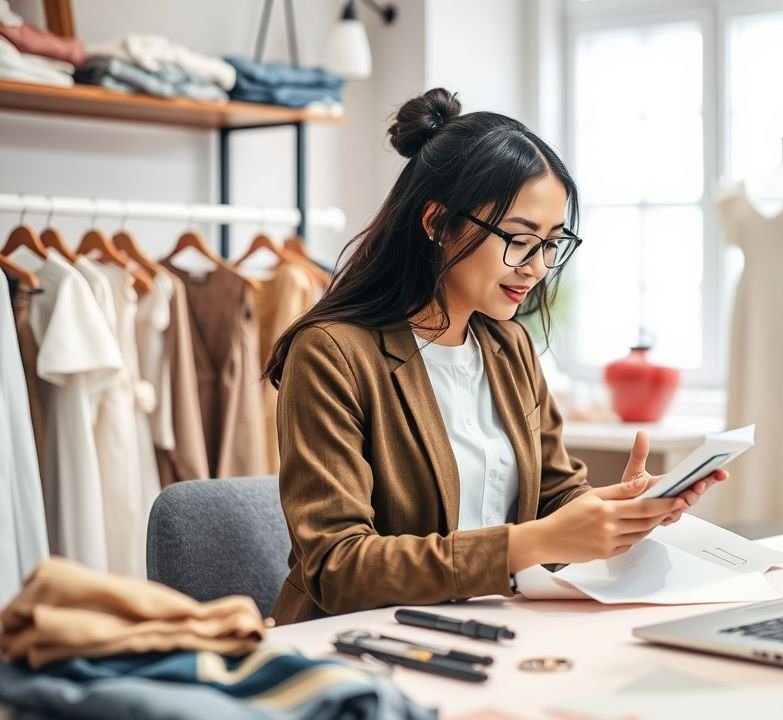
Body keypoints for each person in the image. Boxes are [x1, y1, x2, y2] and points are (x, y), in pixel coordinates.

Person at [263, 88, 726, 624]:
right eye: (519, 239)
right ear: (436, 222)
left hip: (496, 628)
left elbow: (555, 500)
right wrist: (520, 546)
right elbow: (337, 566)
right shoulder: (332, 353)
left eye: (553, 243)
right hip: (364, 646)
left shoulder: (509, 349)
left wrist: (627, 509)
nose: (536, 267)